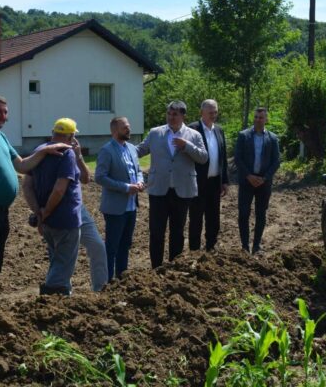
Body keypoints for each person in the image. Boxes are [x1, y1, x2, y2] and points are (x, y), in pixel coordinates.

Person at [0, 95, 68, 310]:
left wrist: (44, 150)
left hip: (1, 212)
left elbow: (23, 165)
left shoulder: (1, 137)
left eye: (6, 112)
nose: (3, 117)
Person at [137, 101, 208, 268]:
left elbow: (203, 158)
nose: (171, 117)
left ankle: (173, 268)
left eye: (175, 114)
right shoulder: (155, 133)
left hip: (182, 190)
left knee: (177, 232)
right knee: (156, 232)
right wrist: (119, 148)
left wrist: (187, 146)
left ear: (183, 116)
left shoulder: (194, 135)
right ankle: (156, 268)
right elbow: (140, 150)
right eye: (169, 113)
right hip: (159, 189)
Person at [23, 118, 84, 295]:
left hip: (47, 223)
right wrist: (46, 212)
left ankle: (63, 301)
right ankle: (50, 300)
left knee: (57, 264)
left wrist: (40, 214)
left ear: (53, 133)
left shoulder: (39, 151)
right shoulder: (67, 154)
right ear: (71, 136)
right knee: (62, 268)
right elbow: (59, 189)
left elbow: (27, 186)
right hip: (66, 221)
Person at [95, 116, 144, 281]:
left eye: (129, 126)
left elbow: (138, 170)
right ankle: (107, 281)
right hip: (115, 207)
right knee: (112, 247)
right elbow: (100, 177)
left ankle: (122, 279)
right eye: (125, 127)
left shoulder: (131, 148)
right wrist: (125, 187)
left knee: (126, 245)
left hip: (131, 207)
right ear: (114, 130)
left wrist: (140, 181)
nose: (129, 129)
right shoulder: (107, 150)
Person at [234, 107, 280, 254]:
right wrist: (249, 175)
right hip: (247, 181)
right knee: (243, 213)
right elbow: (238, 158)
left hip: (264, 183)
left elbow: (276, 161)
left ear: (266, 119)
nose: (258, 120)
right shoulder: (243, 136)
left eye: (261, 117)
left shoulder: (272, 138)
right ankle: (245, 246)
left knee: (261, 214)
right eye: (256, 117)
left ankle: (257, 246)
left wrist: (265, 178)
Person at [188, 99, 229, 252]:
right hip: (197, 182)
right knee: (196, 219)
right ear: (202, 113)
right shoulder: (192, 129)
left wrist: (224, 180)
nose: (213, 115)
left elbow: (222, 157)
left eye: (215, 112)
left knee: (214, 218)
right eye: (210, 112)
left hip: (214, 183)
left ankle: (211, 247)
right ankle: (194, 250)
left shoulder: (219, 130)